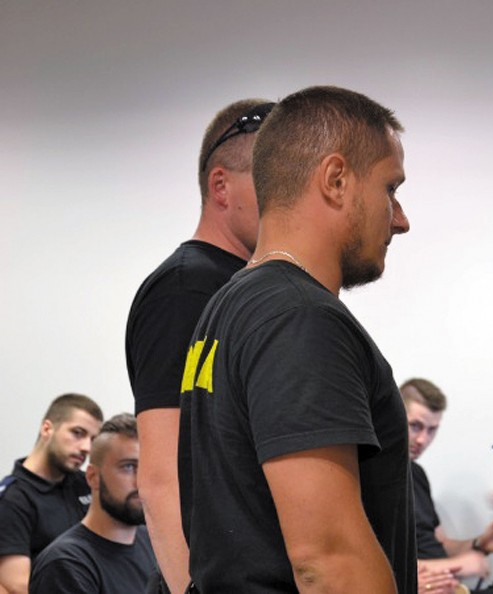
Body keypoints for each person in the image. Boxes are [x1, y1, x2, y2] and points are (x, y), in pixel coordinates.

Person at [178, 85, 416, 593]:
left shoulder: (228, 306)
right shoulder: (300, 318)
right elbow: (326, 562)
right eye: (390, 188)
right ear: (335, 180)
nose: (400, 219)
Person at [125, 97, 273, 594]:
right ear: (220, 186)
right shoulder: (187, 289)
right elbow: (162, 475)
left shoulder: (248, 288)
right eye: (272, 184)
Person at [402, 378, 493, 594]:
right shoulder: (368, 475)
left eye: (432, 430)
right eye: (415, 426)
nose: (422, 439)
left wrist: (481, 544)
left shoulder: (416, 475)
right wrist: (455, 565)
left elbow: (441, 545)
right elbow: (372, 566)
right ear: (393, 417)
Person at [30, 413, 156, 593]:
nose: (140, 481)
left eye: (146, 467)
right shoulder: (66, 564)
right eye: (128, 467)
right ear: (92, 477)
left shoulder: (152, 542)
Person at [0, 394, 104, 594]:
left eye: (93, 439)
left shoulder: (87, 483)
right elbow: (18, 587)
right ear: (47, 428)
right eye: (77, 433)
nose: (87, 447)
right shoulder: (13, 499)